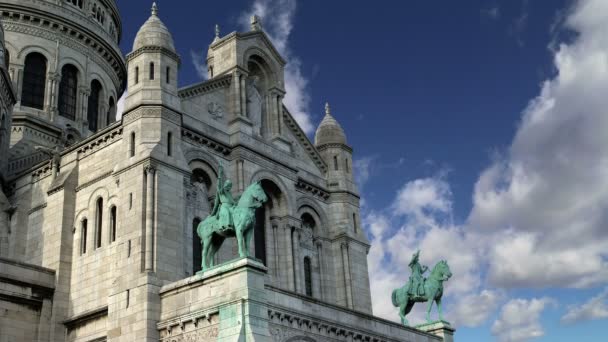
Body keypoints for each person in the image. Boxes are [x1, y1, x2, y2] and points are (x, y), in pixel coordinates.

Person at [210, 164, 235, 230]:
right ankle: (226, 226)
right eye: (228, 185)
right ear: (225, 185)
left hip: (231, 206)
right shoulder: (222, 191)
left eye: (230, 185)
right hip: (224, 207)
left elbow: (232, 201)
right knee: (227, 212)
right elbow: (219, 186)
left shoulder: (229, 193)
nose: (228, 187)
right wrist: (220, 175)